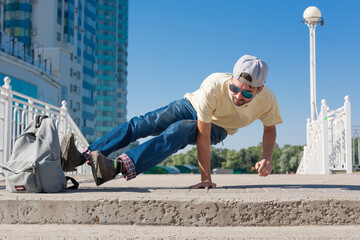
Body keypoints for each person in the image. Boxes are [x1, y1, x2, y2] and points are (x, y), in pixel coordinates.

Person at [61, 55, 282, 189]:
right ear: (230, 79)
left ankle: (116, 168)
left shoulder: (268, 101)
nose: (237, 96)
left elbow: (269, 129)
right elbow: (201, 130)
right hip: (191, 105)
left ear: (259, 90)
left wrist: (266, 158)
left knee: (181, 130)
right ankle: (81, 157)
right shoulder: (214, 84)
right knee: (144, 123)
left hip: (219, 128)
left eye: (247, 94)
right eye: (234, 88)